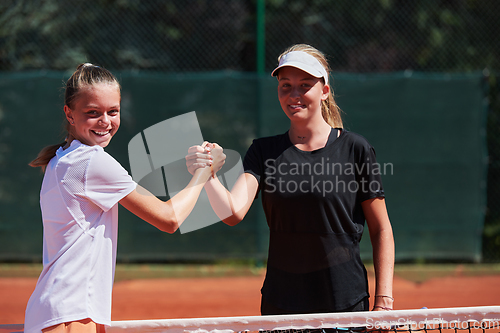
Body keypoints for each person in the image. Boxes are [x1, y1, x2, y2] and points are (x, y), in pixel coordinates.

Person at [186, 44, 394, 315]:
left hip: (344, 304)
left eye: (305, 85)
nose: (294, 94)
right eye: (286, 85)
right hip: (282, 306)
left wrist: (384, 300)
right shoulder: (263, 151)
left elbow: (382, 230)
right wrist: (207, 175)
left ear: (324, 92)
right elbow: (233, 212)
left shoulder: (355, 148)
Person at [25, 63, 225, 333]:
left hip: (53, 311)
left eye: (113, 111)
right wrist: (204, 173)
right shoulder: (92, 161)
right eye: (92, 113)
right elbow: (169, 218)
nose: (105, 121)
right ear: (69, 114)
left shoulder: (59, 159)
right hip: (71, 313)